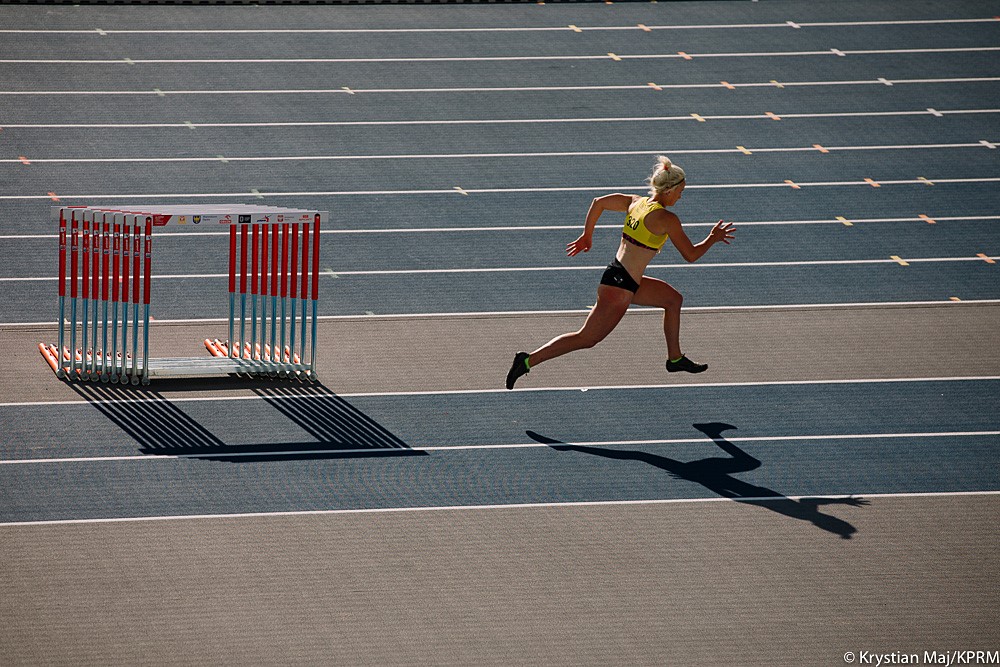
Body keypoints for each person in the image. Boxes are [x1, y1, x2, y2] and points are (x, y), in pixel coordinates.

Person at [506, 156, 735, 390]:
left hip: (621, 276)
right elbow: (691, 255)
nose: (680, 196)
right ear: (669, 190)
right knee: (587, 338)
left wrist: (587, 235)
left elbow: (598, 202)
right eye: (680, 191)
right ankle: (527, 360)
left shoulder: (637, 202)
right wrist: (712, 238)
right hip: (620, 287)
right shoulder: (667, 219)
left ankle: (675, 359)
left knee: (673, 300)